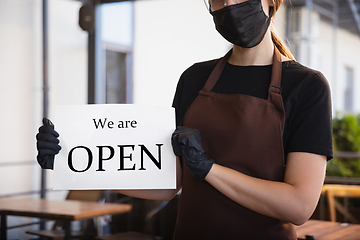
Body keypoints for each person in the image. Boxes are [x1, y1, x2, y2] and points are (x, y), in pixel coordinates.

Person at [36, 0, 333, 239]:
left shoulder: (307, 87)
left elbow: (299, 205)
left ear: (272, 2)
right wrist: (74, 165)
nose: (229, 4)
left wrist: (209, 169)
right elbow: (168, 183)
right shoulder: (194, 79)